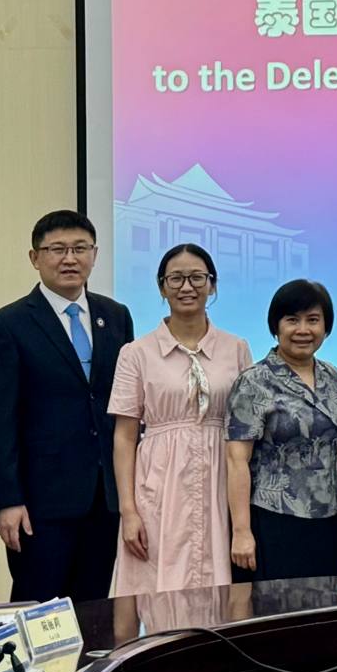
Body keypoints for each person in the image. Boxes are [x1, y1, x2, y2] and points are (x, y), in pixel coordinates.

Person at [0, 210, 134, 602]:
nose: (69, 258)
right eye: (57, 249)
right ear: (35, 257)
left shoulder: (116, 316)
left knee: (94, 609)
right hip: (39, 503)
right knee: (38, 609)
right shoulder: (7, 324)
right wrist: (7, 498)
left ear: (95, 254)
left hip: (104, 497)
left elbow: (125, 404)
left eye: (80, 248)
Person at [110, 244, 254, 595]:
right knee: (156, 582)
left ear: (212, 284)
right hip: (160, 483)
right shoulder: (136, 353)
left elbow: (247, 427)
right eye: (175, 279)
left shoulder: (236, 349)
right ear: (162, 287)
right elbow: (124, 437)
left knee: (219, 583)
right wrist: (128, 511)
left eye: (197, 278)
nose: (186, 287)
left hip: (221, 478)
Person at [226, 279, 337, 581]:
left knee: (325, 606)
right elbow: (236, 460)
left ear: (326, 327)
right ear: (276, 326)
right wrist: (241, 531)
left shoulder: (331, 375)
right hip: (273, 518)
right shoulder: (254, 381)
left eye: (313, 320)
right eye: (292, 320)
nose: (303, 329)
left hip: (327, 518)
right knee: (274, 607)